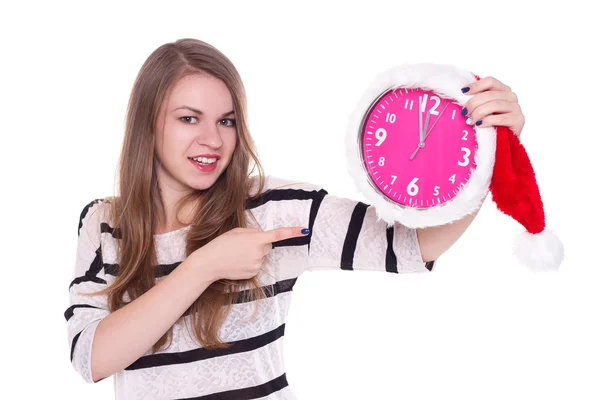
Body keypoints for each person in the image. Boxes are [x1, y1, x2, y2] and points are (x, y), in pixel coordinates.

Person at [64, 38, 525, 399]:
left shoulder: (274, 208)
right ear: (148, 123)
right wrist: (204, 266)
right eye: (189, 118)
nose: (212, 139)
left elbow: (409, 245)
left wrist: (491, 152)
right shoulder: (105, 223)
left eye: (226, 121)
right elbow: (92, 359)